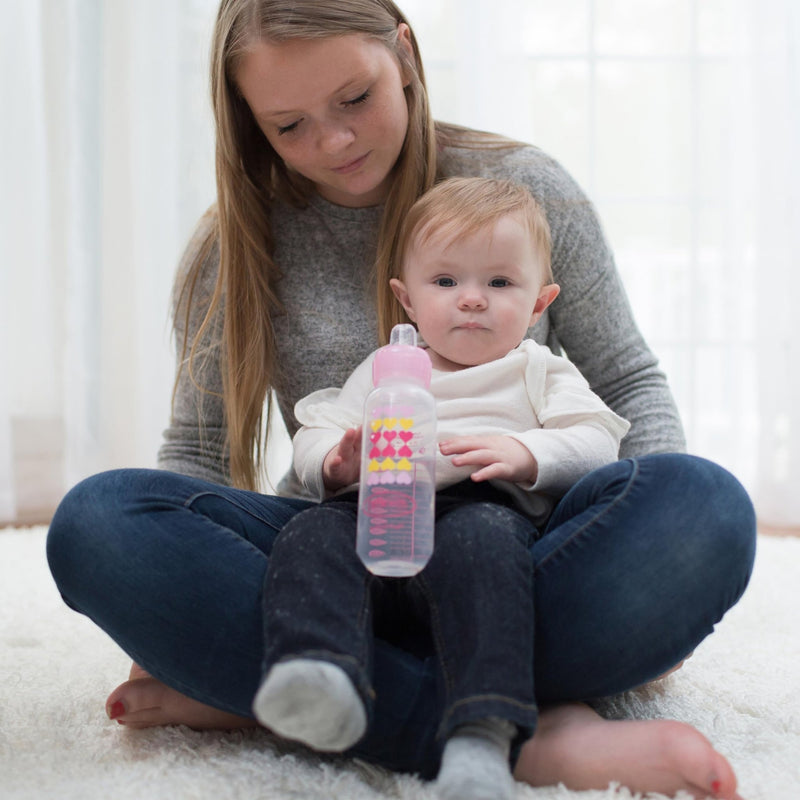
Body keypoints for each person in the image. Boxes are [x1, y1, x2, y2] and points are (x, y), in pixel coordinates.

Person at [45, 2, 756, 798]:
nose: (335, 141)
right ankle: (514, 730)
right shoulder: (232, 250)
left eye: (354, 98)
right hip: (328, 559)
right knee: (98, 524)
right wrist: (168, 595)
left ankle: (280, 698)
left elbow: (626, 386)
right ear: (249, 122)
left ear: (405, 56)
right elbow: (196, 458)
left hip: (517, 557)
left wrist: (646, 556)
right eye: (289, 125)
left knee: (706, 506)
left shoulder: (525, 191)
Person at [253, 176, 630, 800]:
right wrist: (336, 465)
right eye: (447, 282)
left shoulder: (537, 368)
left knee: (483, 545)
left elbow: (597, 440)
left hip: (481, 514)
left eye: (500, 283)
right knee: (307, 531)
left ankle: (480, 734)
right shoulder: (384, 368)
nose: (472, 300)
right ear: (407, 298)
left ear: (540, 303)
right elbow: (318, 430)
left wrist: (526, 452)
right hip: (372, 510)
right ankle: (318, 672)